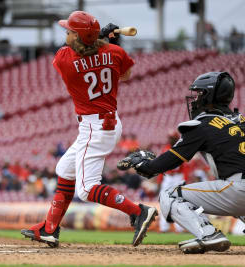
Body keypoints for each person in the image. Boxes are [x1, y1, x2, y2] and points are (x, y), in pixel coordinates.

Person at [21, 11, 158, 248]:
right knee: (64, 168)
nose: (66, 34)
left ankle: (138, 211)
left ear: (80, 36)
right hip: (108, 121)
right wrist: (107, 43)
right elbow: (123, 74)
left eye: (70, 31)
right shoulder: (115, 52)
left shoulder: (66, 59)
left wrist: (100, 39)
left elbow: (74, 53)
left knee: (86, 190)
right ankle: (49, 228)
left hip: (95, 127)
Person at [117, 72, 245, 253]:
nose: (196, 99)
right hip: (238, 191)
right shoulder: (241, 120)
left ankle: (208, 234)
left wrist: (142, 164)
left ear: (209, 95)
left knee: (169, 195)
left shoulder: (203, 124)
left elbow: (162, 165)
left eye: (199, 93)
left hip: (238, 188)